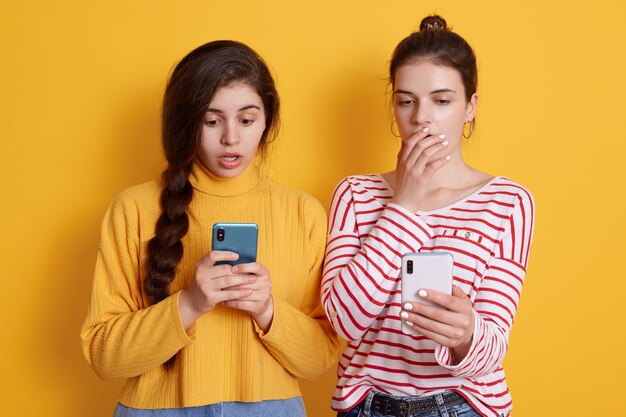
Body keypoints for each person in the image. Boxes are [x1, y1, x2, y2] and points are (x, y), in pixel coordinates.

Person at [81, 40, 340, 417]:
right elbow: (103, 356)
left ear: (267, 120)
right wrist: (189, 304)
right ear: (187, 121)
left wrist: (267, 310)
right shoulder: (132, 209)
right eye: (212, 120)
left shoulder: (303, 213)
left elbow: (320, 360)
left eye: (246, 120)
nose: (231, 138)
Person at [322, 15, 535, 417]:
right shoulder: (354, 194)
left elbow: (491, 349)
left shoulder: (508, 202)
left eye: (442, 100)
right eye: (406, 101)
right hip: (365, 406)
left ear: (470, 107)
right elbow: (344, 323)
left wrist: (466, 334)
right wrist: (404, 205)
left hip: (465, 405)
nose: (421, 117)